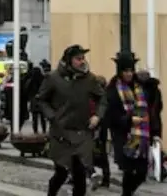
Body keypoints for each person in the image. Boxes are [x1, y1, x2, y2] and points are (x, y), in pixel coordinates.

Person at [36, 44, 106, 196]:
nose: (82, 61)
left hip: (81, 133)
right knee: (61, 172)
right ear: (68, 60)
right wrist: (52, 116)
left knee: (80, 174)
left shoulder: (89, 79)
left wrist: (97, 116)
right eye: (78, 58)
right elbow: (41, 100)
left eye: (83, 58)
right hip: (61, 133)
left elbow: (102, 98)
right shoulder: (53, 78)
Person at [105, 52, 162, 196]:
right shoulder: (113, 90)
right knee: (128, 171)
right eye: (125, 71)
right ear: (120, 71)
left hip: (142, 137)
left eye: (131, 70)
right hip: (124, 137)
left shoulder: (141, 87)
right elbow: (111, 117)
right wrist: (129, 120)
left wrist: (155, 133)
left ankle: (127, 194)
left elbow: (153, 111)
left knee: (142, 173)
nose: (129, 74)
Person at [25, 65, 47, 134]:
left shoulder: (31, 80)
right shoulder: (44, 79)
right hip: (42, 100)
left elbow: (26, 90)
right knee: (43, 118)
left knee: (35, 118)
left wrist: (29, 98)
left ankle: (35, 131)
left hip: (33, 101)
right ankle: (44, 131)